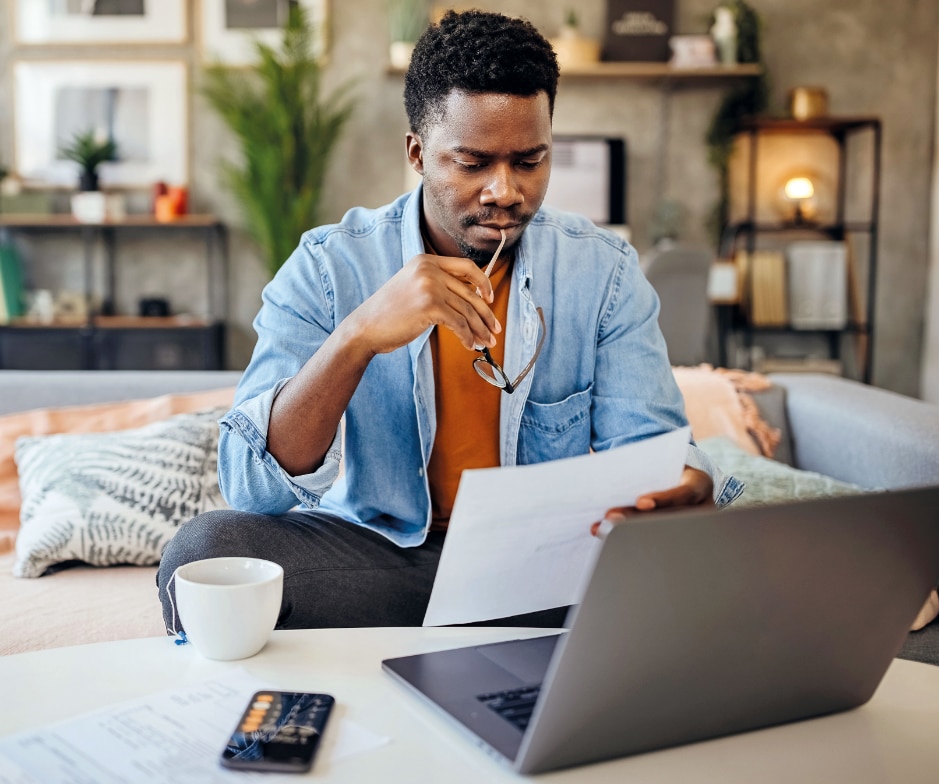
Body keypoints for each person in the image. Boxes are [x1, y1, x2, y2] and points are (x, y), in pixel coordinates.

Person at [158, 9, 743, 632]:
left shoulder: (603, 273)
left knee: (728, 571)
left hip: (542, 566)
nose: (505, 191)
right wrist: (358, 336)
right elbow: (253, 489)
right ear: (417, 152)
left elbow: (649, 453)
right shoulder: (330, 267)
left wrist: (676, 486)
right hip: (389, 561)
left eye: (529, 160)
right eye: (473, 163)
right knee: (203, 555)